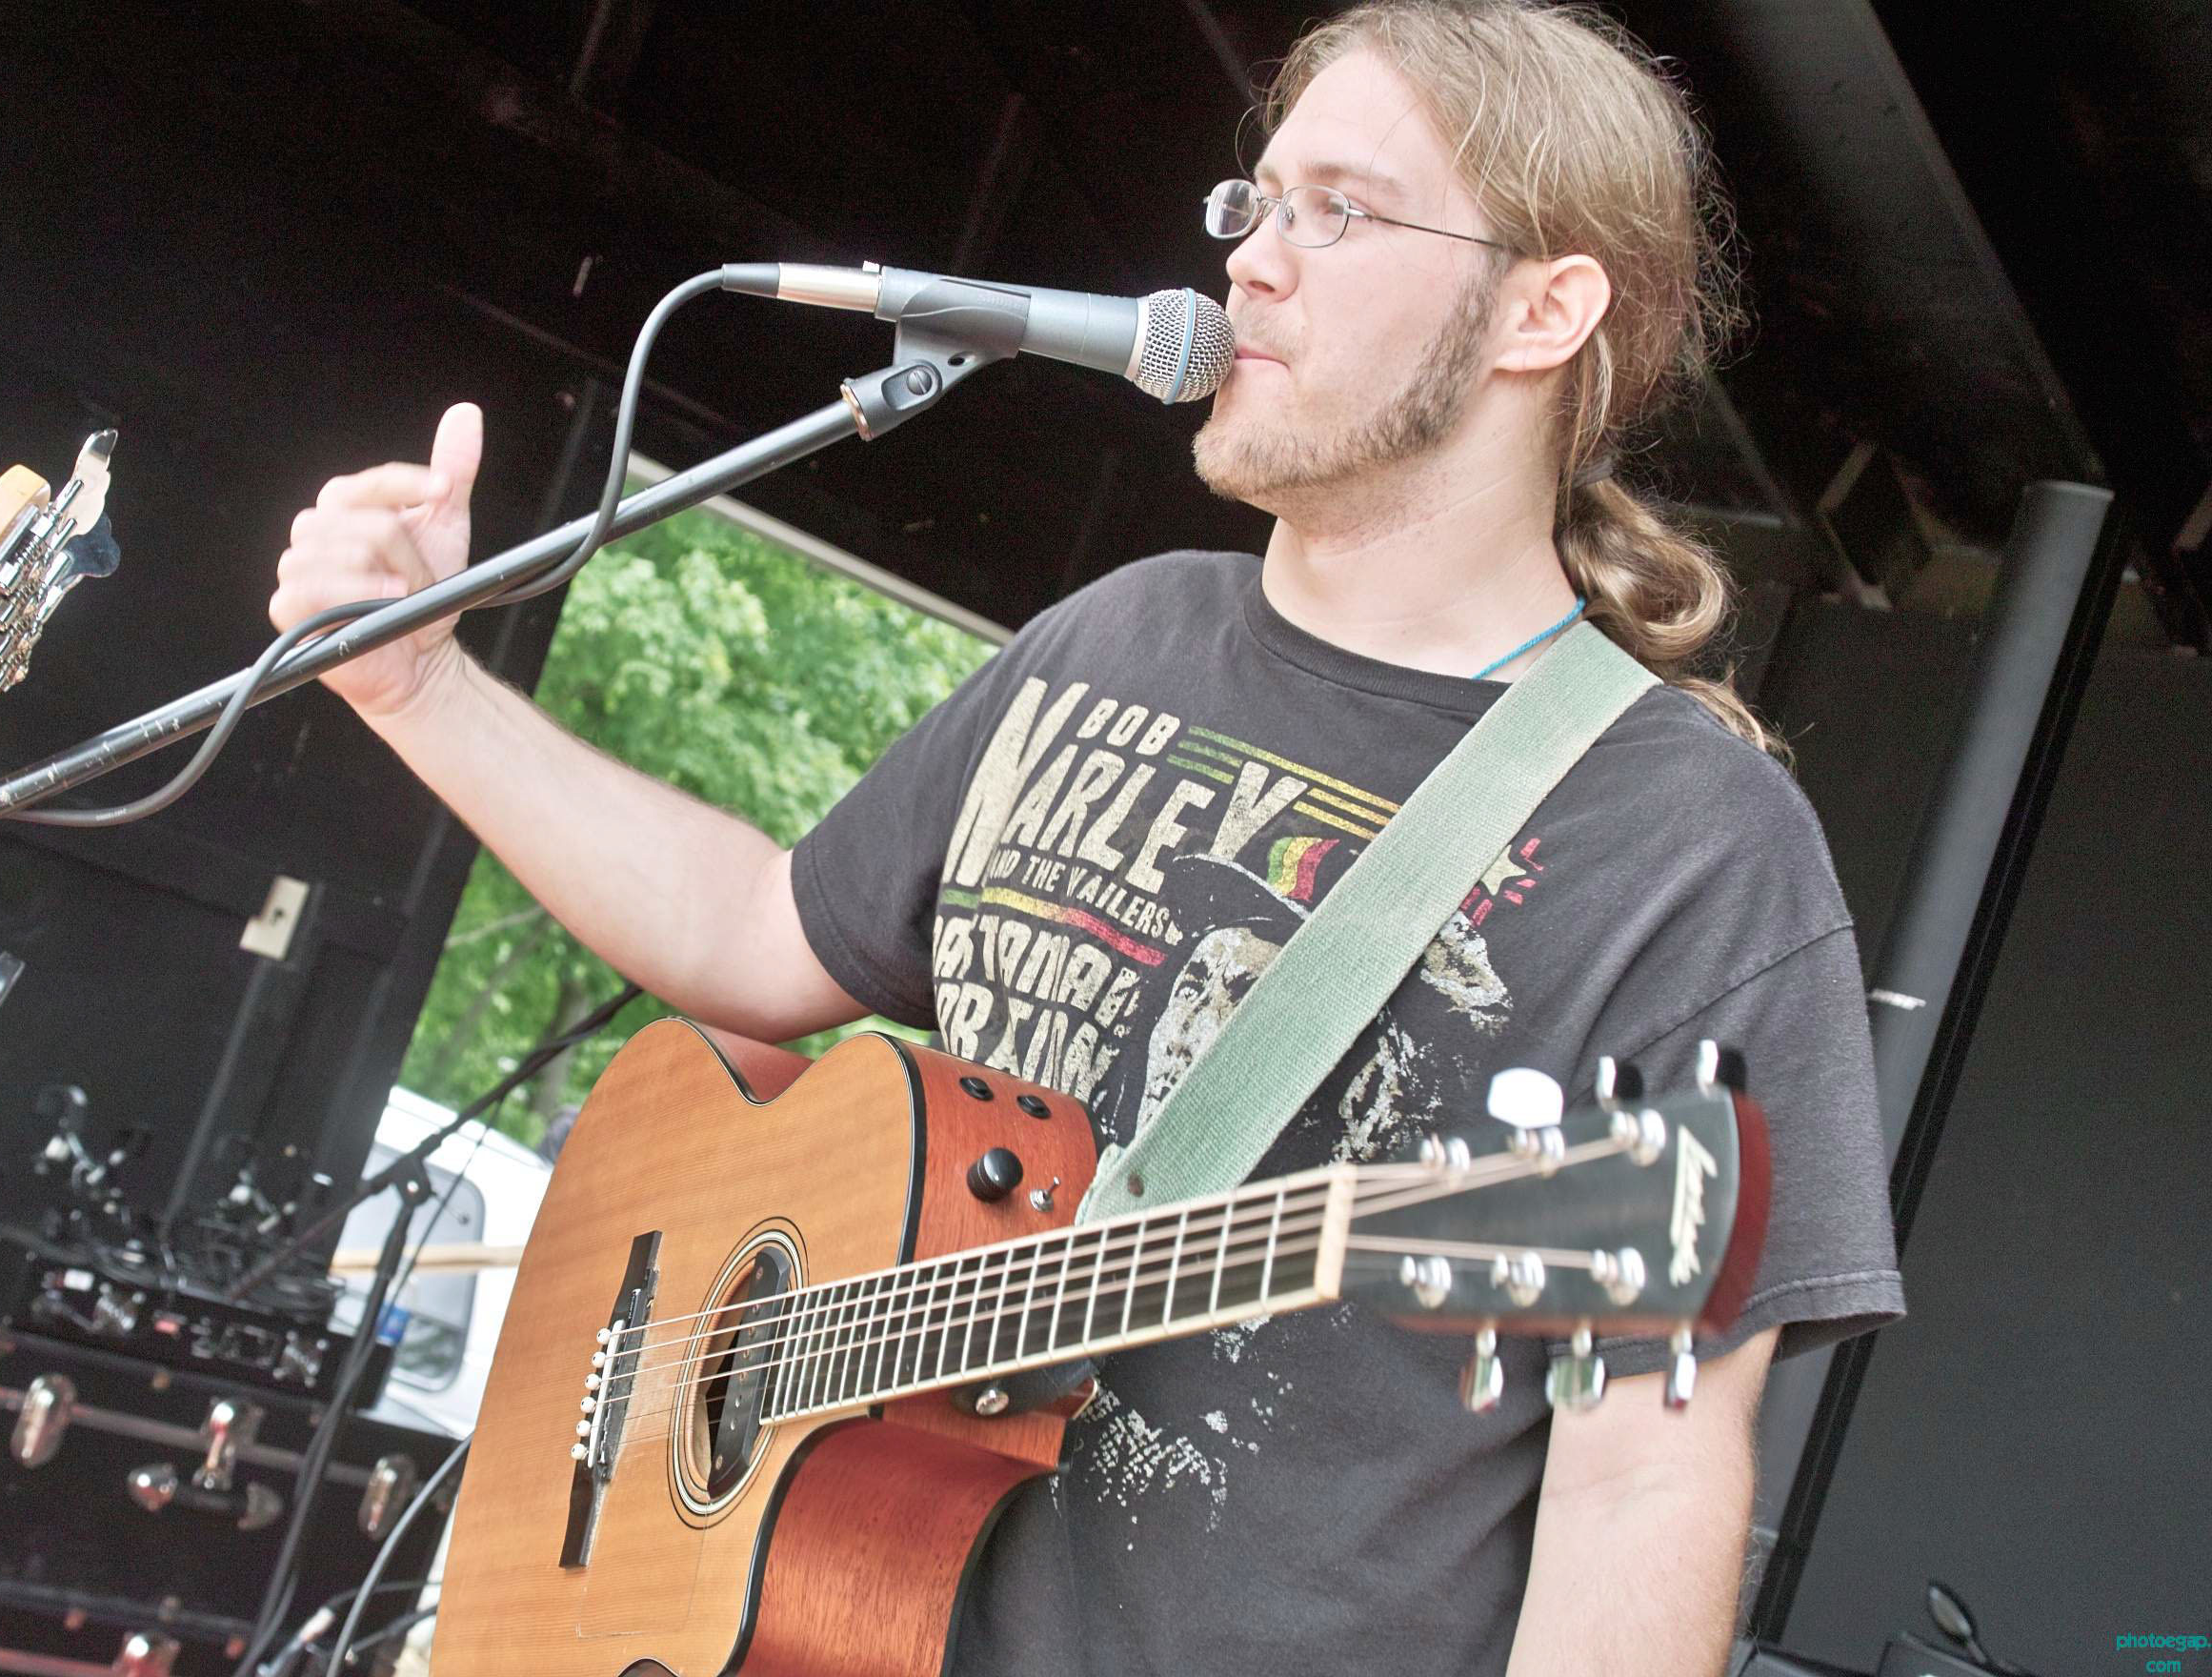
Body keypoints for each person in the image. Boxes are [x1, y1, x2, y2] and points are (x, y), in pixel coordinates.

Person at [270, 2, 1904, 1669]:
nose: (1250, 262)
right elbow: (757, 933)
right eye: (1256, 202)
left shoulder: (1686, 844)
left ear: (1545, 311)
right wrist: (419, 686)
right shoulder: (1118, 635)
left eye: (1342, 211)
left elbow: (1646, 1482)